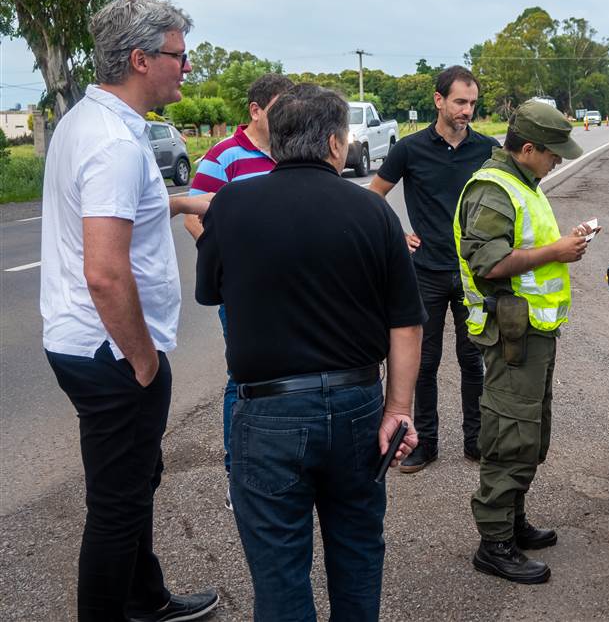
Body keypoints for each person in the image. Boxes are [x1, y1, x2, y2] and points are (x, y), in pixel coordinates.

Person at [195, 83, 426, 621]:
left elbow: (210, 292)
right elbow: (406, 323)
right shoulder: (372, 213)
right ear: (335, 143)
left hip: (268, 411)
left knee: (278, 572)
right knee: (359, 551)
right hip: (357, 405)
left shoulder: (232, 204)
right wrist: (398, 409)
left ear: (276, 142)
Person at [40, 0, 217, 622]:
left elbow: (120, 213)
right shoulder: (114, 142)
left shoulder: (89, 122)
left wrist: (185, 203)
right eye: (178, 55)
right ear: (141, 59)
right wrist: (143, 361)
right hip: (111, 349)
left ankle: (148, 600)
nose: (186, 67)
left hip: (84, 342)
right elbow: (106, 273)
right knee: (117, 506)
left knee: (135, 485)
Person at [454, 100, 592, 584]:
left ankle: (512, 523)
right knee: (510, 435)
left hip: (531, 333)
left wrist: (557, 249)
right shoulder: (493, 191)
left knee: (528, 431)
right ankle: (493, 544)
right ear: (527, 147)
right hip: (512, 336)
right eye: (552, 153)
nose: (557, 161)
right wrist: (556, 251)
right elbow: (488, 264)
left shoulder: (523, 182)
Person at [369, 65, 496, 472]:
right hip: (425, 271)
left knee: (472, 358)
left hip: (474, 272)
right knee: (422, 362)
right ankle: (424, 442)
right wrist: (397, 235)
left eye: (473, 103)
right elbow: (374, 196)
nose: (467, 111)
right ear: (439, 100)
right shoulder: (409, 149)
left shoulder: (488, 149)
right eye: (460, 102)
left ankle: (476, 440)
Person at [183, 71, 293, 508]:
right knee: (244, 378)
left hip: (292, 288)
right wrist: (234, 259)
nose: (287, 119)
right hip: (244, 290)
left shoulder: (291, 153)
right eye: (279, 109)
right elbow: (195, 215)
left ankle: (283, 466)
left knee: (289, 375)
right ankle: (238, 473)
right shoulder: (223, 155)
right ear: (255, 110)